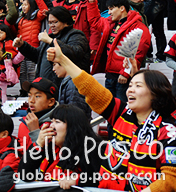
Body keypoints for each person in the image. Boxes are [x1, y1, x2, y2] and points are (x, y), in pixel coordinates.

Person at [47, 39, 176, 192]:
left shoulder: (168, 132)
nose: (130, 90)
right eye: (130, 86)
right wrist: (63, 60)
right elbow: (90, 88)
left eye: (138, 86)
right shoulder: (121, 113)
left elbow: (170, 180)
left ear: (156, 93)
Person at [18, 105, 103, 189]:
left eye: (57, 122)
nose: (51, 126)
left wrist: (78, 180)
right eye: (52, 121)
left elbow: (104, 178)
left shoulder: (92, 149)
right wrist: (38, 144)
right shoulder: (49, 148)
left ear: (73, 127)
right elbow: (24, 175)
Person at [88, 0, 151, 101]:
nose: (109, 13)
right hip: (110, 75)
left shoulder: (139, 27)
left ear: (122, 8)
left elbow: (138, 53)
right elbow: (95, 22)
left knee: (122, 109)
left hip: (123, 78)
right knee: (111, 108)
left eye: (111, 9)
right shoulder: (111, 23)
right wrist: (92, 3)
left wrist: (125, 73)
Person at [14, 6, 90, 86]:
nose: (52, 25)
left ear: (66, 22)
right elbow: (37, 56)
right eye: (50, 23)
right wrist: (22, 45)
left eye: (55, 22)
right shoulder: (51, 37)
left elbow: (75, 53)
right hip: (48, 88)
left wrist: (50, 41)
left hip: (68, 86)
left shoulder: (76, 35)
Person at [17, 77, 58, 149]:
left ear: (51, 102)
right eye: (29, 96)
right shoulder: (25, 122)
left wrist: (35, 131)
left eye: (37, 96)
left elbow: (49, 156)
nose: (31, 100)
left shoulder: (55, 126)